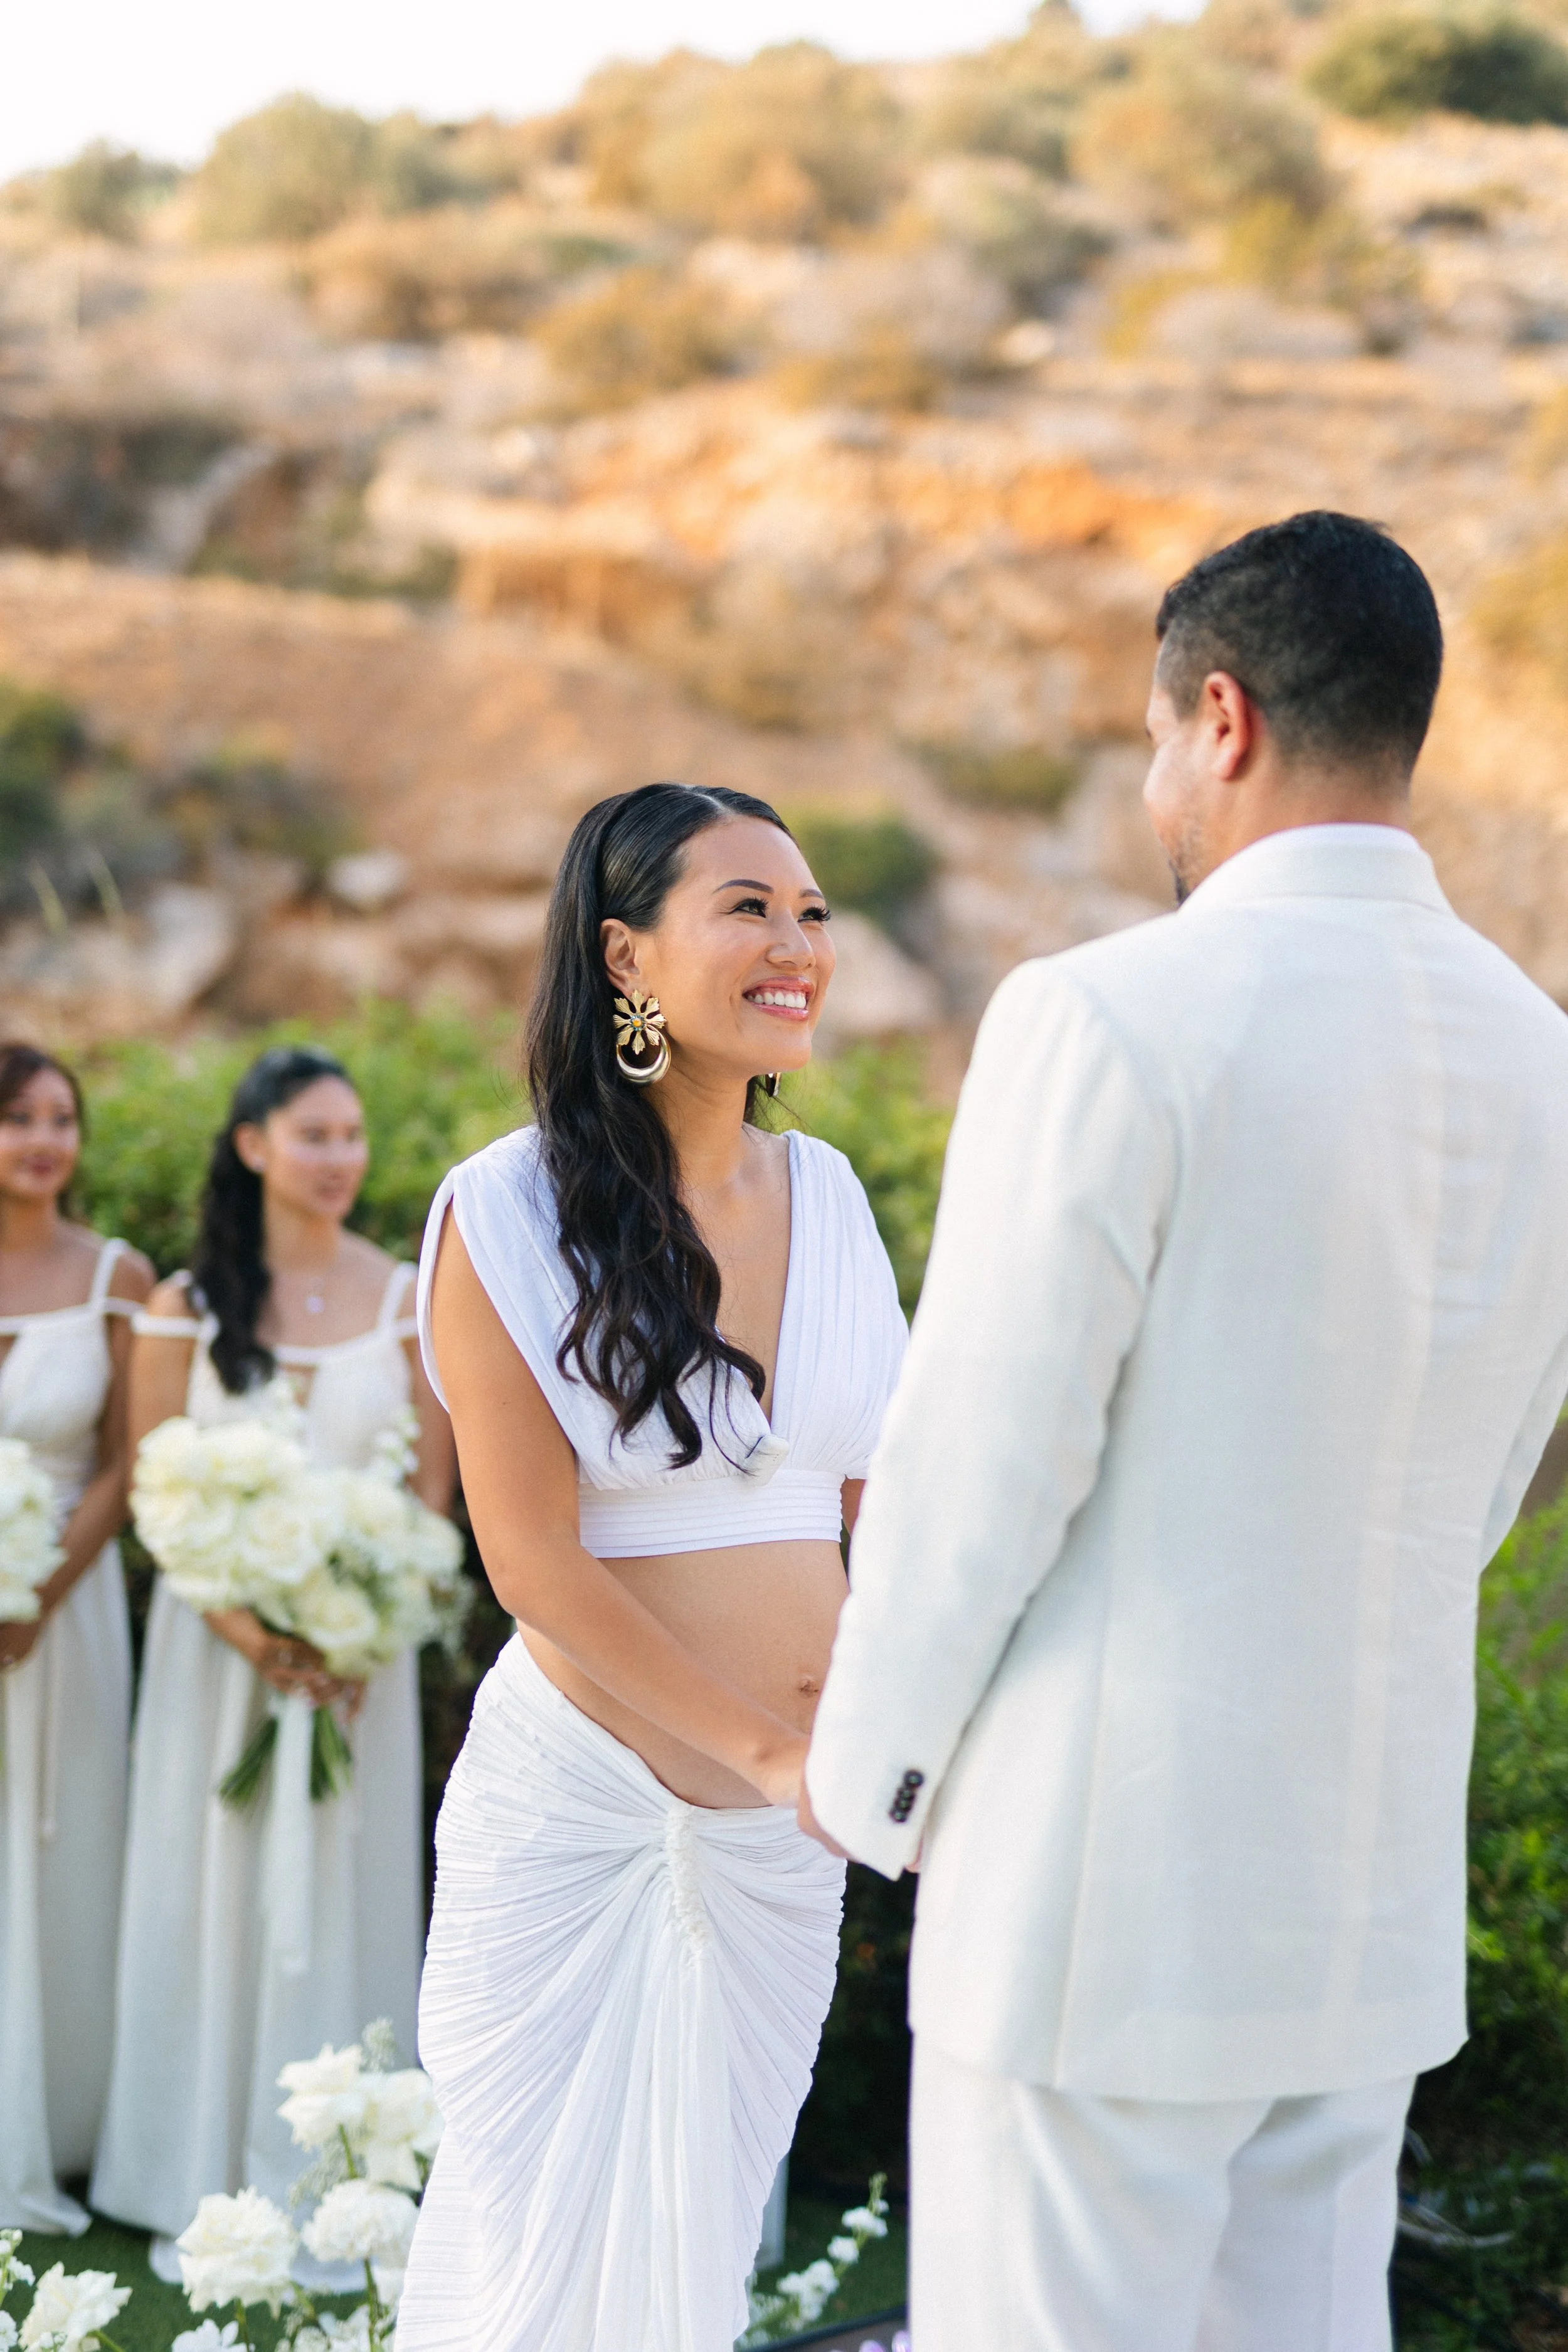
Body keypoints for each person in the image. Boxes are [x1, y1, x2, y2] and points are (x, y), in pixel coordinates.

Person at [805, 512, 1568, 2352]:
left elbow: (982, 1460)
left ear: (1216, 717)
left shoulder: (1102, 1011)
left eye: (1152, 738)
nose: (1153, 782)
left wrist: (865, 1782)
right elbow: (1483, 1474)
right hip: (1362, 1885)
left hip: (1096, 1889)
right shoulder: (1541, 1054)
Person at [395, 782, 907, 2352]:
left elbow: (883, 1511)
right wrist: (763, 1748)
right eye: (746, 908)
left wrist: (907, 1732)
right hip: (584, 1818)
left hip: (782, 1847)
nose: (794, 944)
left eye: (811, 912)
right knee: (530, 2255)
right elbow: (532, 1563)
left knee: (692, 2259)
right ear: (625, 956)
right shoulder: (502, 1209)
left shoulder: (827, 1196)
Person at [92, 1046, 455, 2264]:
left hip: (359, 1673)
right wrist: (253, 1632)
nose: (339, 1159)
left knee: (343, 1892)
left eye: (353, 1135)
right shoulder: (183, 1307)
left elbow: (431, 1502)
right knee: (214, 1892)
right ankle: (192, 2161)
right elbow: (153, 1493)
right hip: (217, 1666)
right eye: (313, 1135)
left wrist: (363, 1625)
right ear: (251, 1145)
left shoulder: (409, 1296)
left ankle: (350, 2165)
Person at [0, 1044, 152, 2233]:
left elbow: (128, 1459)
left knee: (68, 1846)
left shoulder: (118, 1276)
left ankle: (66, 2126)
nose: (45, 1139)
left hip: (71, 1602)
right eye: (18, 1119)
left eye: (62, 1117)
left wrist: (38, 1591)